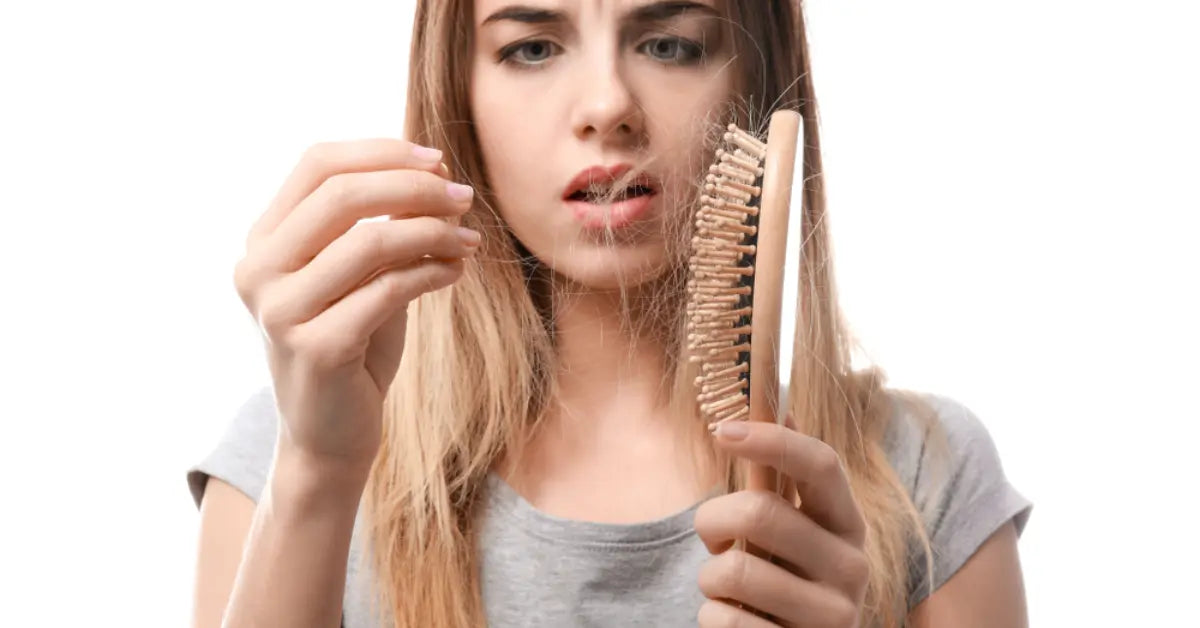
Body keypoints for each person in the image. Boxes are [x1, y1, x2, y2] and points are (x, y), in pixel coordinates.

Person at [187, 1, 1033, 626]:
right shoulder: (292, 455)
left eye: (669, 43)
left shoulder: (922, 476)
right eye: (531, 47)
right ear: (457, 92)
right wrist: (315, 474)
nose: (607, 106)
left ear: (760, 81)